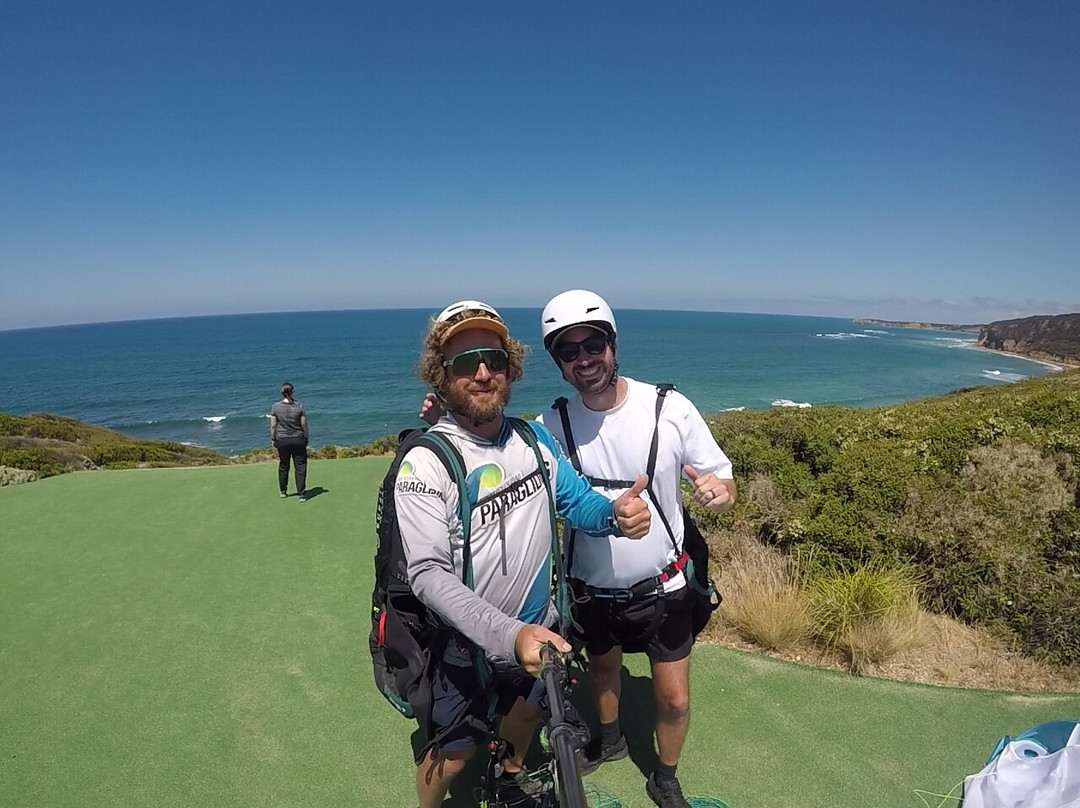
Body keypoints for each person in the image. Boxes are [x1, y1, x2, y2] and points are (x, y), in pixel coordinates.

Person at [398, 300, 652, 808]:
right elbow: (427, 574)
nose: (483, 373)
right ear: (440, 375)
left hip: (540, 628)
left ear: (510, 367)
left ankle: (510, 775)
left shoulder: (533, 440)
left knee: (528, 711)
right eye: (465, 362)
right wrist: (510, 636)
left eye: (494, 359)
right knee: (452, 752)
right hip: (463, 643)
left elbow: (574, 500)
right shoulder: (425, 463)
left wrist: (612, 516)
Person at [535, 290, 737, 808]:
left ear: (613, 343)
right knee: (603, 672)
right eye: (568, 351)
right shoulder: (550, 427)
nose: (584, 359)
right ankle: (612, 739)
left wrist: (718, 493)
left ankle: (665, 776)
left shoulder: (668, 408)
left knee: (674, 696)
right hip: (591, 588)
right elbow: (496, 451)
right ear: (558, 363)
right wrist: (445, 411)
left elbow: (720, 477)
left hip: (664, 587)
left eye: (593, 343)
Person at [269, 382, 309, 501]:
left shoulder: (275, 407)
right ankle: (301, 493)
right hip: (298, 439)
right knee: (300, 466)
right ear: (293, 392)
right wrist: (306, 436)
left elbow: (273, 425)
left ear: (282, 393)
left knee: (283, 465)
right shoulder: (299, 406)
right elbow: (303, 424)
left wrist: (273, 438)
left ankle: (283, 491)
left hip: (283, 440)